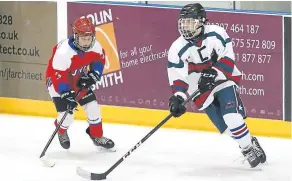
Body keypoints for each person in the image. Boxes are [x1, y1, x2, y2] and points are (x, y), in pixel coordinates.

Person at [167, 3, 266, 168]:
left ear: (201, 21)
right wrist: (178, 98)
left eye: (190, 22)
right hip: (198, 89)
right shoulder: (176, 48)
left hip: (222, 79)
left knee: (231, 116)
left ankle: (247, 148)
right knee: (226, 127)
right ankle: (250, 140)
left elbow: (227, 58)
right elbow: (178, 78)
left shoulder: (216, 32)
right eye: (183, 22)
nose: (186, 27)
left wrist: (213, 73)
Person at [45, 17, 115, 150]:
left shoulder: (95, 46)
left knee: (93, 108)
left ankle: (96, 136)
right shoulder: (63, 52)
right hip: (57, 82)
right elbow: (58, 76)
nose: (87, 42)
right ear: (75, 36)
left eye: (89, 38)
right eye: (83, 38)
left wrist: (94, 74)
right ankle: (61, 130)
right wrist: (65, 93)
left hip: (77, 79)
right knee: (68, 115)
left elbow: (99, 59)